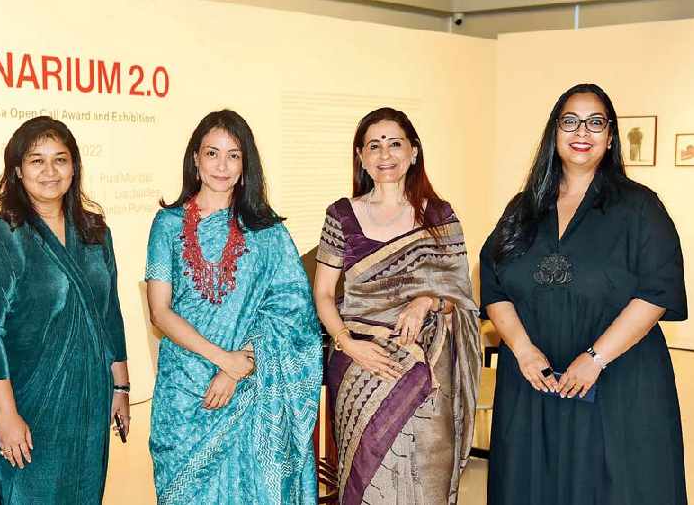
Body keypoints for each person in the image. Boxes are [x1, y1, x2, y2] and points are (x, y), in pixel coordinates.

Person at [480, 83, 687, 504]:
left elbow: (656, 292)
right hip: (533, 383)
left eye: (595, 122)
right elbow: (493, 284)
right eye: (570, 121)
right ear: (554, 132)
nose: (582, 132)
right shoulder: (523, 209)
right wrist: (521, 349)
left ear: (610, 136)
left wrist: (595, 359)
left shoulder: (639, 208)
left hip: (617, 382)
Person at [145, 110, 322, 504]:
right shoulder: (168, 224)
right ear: (195, 159)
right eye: (212, 153)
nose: (221, 166)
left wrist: (239, 367)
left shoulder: (268, 233)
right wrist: (221, 358)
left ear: (246, 165)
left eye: (233, 155)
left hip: (249, 383)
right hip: (184, 389)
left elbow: (293, 311)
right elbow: (160, 311)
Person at [313, 107, 481, 505]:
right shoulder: (341, 216)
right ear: (361, 156)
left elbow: (462, 299)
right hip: (359, 363)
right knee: (365, 478)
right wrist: (347, 343)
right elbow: (322, 295)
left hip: (428, 366)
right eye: (374, 145)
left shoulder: (440, 216)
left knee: (425, 479)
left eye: (394, 144)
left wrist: (427, 300)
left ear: (414, 152)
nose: (385, 155)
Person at [0, 116, 129, 504]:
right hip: (25, 400)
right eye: (37, 160)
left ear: (75, 166)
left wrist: (120, 385)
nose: (50, 171)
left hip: (87, 397)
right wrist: (6, 416)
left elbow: (109, 312)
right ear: (18, 170)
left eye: (61, 159)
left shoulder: (95, 232)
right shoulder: (1, 237)